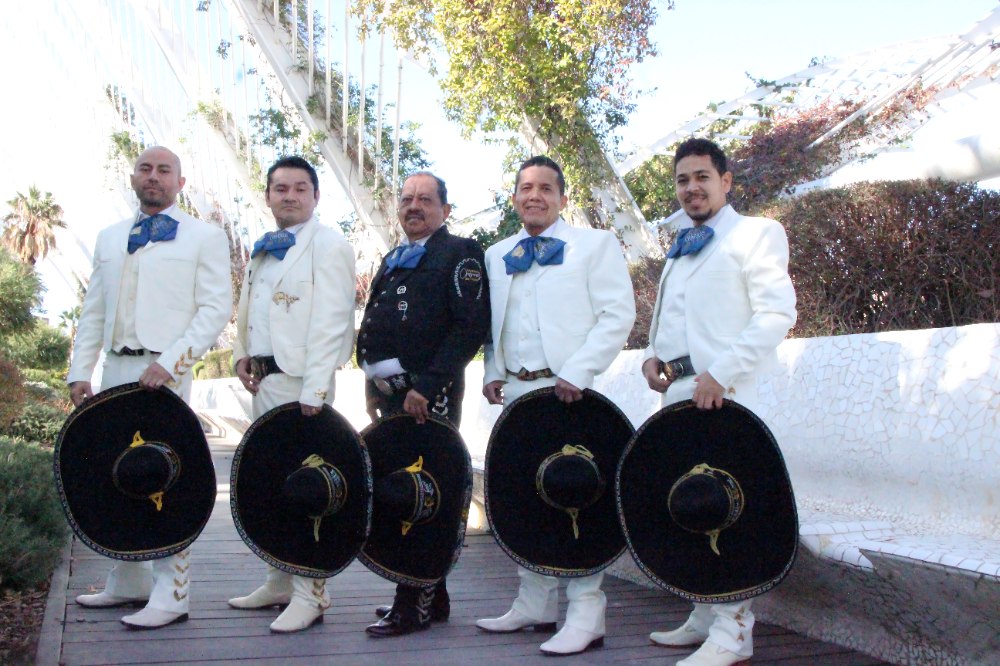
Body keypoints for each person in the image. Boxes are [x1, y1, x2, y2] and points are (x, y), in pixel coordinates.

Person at [641, 138, 797, 666]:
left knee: (730, 507)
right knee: (691, 504)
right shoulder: (681, 243)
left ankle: (734, 632)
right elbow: (673, 315)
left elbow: (777, 313)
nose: (692, 188)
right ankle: (705, 612)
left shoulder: (756, 233)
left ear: (726, 181)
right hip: (680, 397)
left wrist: (721, 374)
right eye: (683, 180)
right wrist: (652, 354)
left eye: (702, 177)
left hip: (730, 397)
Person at [67, 146, 232, 629]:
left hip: (165, 376)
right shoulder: (109, 236)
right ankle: (126, 582)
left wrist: (172, 362)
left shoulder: (205, 236)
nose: (153, 177)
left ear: (180, 182)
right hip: (114, 372)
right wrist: (81, 370)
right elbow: (94, 309)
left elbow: (214, 309)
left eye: (164, 171)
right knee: (115, 475)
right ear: (133, 178)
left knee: (165, 475)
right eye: (146, 169)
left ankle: (172, 593)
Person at [477, 155, 636, 656]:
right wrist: (493, 371)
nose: (535, 195)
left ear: (563, 198)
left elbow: (617, 315)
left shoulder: (595, 245)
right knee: (526, 497)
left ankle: (588, 613)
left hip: (573, 394)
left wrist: (580, 370)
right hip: (518, 398)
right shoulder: (497, 253)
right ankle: (534, 603)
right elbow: (492, 327)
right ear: (515, 197)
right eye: (526, 187)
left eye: (546, 187)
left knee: (577, 495)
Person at [226, 155, 357, 633]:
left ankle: (312, 593)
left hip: (304, 387)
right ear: (268, 196)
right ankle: (279, 580)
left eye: (301, 188)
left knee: (309, 488)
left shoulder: (330, 244)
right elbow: (251, 308)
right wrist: (242, 352)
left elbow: (334, 319)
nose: (290, 196)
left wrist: (317, 387)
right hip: (265, 384)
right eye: (280, 188)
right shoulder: (264, 249)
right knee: (273, 482)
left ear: (316, 196)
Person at [357, 170, 490, 637]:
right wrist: (373, 385)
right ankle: (434, 596)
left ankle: (411, 602)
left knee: (423, 494)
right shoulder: (394, 257)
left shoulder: (459, 252)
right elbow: (379, 324)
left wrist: (428, 386)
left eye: (425, 200)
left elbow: (468, 328)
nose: (414, 206)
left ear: (445, 210)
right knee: (405, 486)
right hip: (395, 398)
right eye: (407, 198)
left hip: (429, 397)